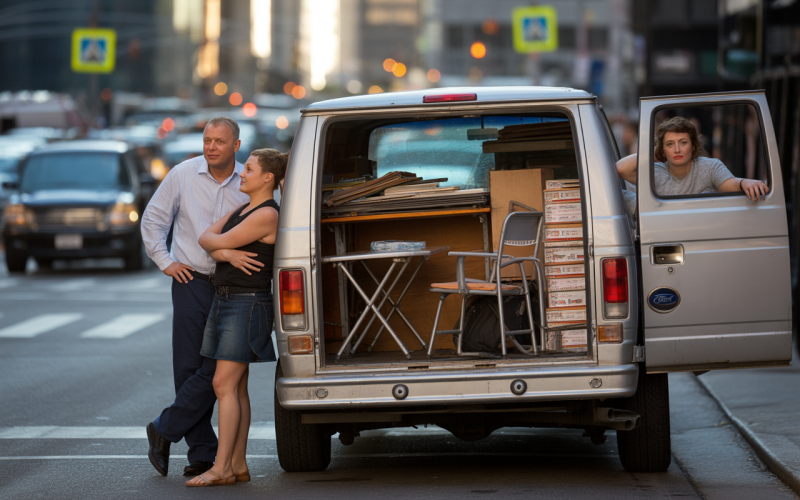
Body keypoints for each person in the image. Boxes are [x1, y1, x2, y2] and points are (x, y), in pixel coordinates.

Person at [142, 117, 257, 477]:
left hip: (233, 286)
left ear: (235, 146)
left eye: (220, 141)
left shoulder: (248, 182)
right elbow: (152, 222)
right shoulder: (182, 174)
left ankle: (163, 428)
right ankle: (202, 454)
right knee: (189, 368)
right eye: (207, 140)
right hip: (191, 280)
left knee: (216, 370)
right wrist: (166, 262)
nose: (211, 147)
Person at [184, 149, 286, 487]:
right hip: (226, 300)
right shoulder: (244, 209)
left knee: (222, 384)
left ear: (268, 178)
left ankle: (222, 467)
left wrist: (221, 246)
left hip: (247, 302)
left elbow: (215, 239)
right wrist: (226, 252)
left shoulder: (267, 214)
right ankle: (237, 464)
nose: (242, 173)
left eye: (250, 169)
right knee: (236, 386)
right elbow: (205, 239)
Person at [616, 116, 768, 202]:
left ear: (693, 146)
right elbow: (621, 168)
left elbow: (730, 184)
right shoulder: (656, 172)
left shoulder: (710, 166)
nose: (677, 149)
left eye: (683, 143)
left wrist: (745, 182)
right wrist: (656, 153)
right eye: (670, 144)